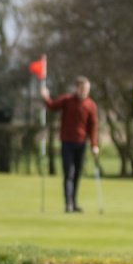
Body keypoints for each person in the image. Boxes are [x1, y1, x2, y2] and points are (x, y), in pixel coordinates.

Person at [41, 76, 99, 213]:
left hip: (81, 143)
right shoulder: (67, 100)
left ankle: (74, 202)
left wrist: (94, 144)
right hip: (67, 142)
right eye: (83, 88)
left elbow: (93, 126)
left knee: (78, 174)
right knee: (69, 173)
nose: (85, 91)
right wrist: (45, 97)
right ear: (77, 88)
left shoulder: (91, 105)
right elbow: (52, 106)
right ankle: (68, 204)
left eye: (87, 89)